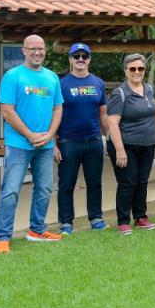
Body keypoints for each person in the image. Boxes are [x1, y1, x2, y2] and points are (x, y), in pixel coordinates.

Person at [0, 35, 64, 254]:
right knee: (11, 191)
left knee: (43, 188)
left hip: (44, 145)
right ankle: (3, 237)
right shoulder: (13, 76)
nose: (37, 52)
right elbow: (6, 110)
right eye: (32, 48)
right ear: (23, 51)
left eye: (41, 48)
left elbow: (57, 109)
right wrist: (30, 135)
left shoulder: (52, 77)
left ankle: (37, 230)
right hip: (19, 145)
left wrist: (50, 135)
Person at [55, 42, 108, 235]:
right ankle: (66, 223)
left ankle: (96, 218)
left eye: (84, 56)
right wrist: (54, 144)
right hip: (68, 142)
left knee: (94, 182)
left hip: (93, 140)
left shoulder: (98, 83)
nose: (80, 59)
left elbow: (103, 113)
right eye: (76, 56)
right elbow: (54, 114)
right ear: (69, 59)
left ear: (89, 59)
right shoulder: (61, 84)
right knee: (66, 184)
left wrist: (106, 138)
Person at [107, 53, 155, 235]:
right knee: (127, 182)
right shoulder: (119, 93)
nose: (137, 72)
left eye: (140, 68)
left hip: (147, 145)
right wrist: (120, 150)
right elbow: (112, 123)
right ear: (126, 71)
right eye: (133, 69)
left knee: (142, 182)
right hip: (125, 145)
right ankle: (123, 221)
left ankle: (141, 217)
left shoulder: (150, 89)